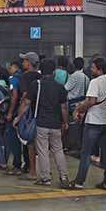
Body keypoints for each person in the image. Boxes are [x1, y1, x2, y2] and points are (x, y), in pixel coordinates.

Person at [14, 59, 69, 187]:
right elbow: (64, 107)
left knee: (43, 150)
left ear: (41, 71)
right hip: (56, 124)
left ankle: (45, 178)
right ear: (54, 72)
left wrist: (18, 117)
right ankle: (64, 176)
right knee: (58, 150)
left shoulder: (36, 85)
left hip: (41, 124)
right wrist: (65, 122)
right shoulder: (60, 87)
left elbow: (26, 103)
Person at [69, 57, 106, 190]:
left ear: (99, 69)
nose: (91, 69)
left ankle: (79, 182)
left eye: (93, 67)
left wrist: (78, 109)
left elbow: (91, 101)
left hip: (94, 122)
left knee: (86, 153)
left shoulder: (95, 82)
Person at [16, 52, 42, 179]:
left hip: (28, 114)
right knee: (41, 144)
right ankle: (43, 169)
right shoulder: (41, 76)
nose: (22, 63)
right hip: (41, 113)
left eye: (24, 61)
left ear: (29, 63)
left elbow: (25, 97)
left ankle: (31, 170)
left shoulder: (24, 77)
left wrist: (18, 116)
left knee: (28, 142)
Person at [4, 60, 24, 175]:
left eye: (10, 66)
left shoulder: (13, 79)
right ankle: (24, 164)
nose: (8, 68)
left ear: (15, 67)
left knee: (13, 139)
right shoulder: (24, 77)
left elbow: (14, 96)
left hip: (15, 111)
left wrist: (10, 112)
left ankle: (16, 165)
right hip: (24, 112)